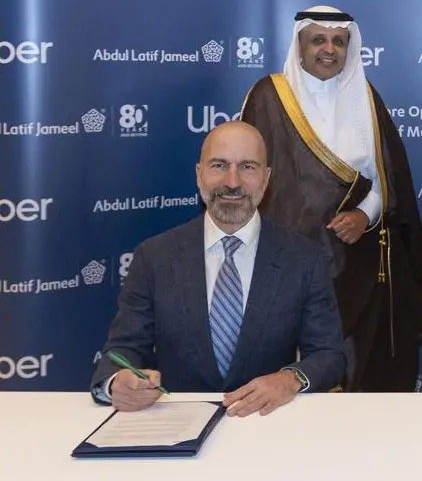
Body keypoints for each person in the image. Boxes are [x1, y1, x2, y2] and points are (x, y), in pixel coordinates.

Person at [240, 6, 422, 392]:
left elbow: (388, 177)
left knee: (357, 366)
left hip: (355, 261)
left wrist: (365, 215)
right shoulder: (269, 96)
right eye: (318, 40)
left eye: (338, 42)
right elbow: (246, 177)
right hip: (285, 261)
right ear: (300, 45)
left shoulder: (365, 98)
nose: (329, 49)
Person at [91, 121, 345, 416]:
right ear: (199, 175)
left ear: (266, 179)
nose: (232, 182)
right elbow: (122, 351)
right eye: (219, 165)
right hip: (177, 426)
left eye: (247, 167)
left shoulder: (304, 259)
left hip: (269, 423)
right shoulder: (154, 257)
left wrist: (290, 379)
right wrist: (117, 383)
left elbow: (329, 355)